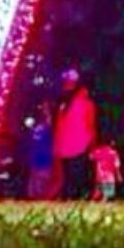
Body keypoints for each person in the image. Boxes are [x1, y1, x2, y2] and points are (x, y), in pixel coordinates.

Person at [51, 68, 96, 200]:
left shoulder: (84, 103)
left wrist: (92, 142)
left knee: (76, 176)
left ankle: (77, 197)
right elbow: (59, 125)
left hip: (79, 145)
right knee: (68, 177)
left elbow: (90, 123)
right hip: (67, 146)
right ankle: (69, 197)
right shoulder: (63, 103)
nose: (67, 86)